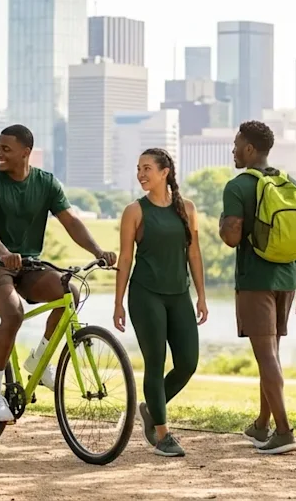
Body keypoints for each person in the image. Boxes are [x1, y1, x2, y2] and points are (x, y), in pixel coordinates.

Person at [0, 124, 117, 423]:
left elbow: (71, 221)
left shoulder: (46, 183)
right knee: (12, 313)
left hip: (28, 264)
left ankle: (39, 360)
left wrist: (98, 252)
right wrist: (2, 252)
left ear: (26, 152)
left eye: (6, 149)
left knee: (69, 293)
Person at [220, 120, 296, 455]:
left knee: (266, 356)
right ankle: (262, 425)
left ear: (249, 149)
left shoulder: (238, 186)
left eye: (235, 144)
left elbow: (232, 238)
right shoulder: (292, 185)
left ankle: (284, 432)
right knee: (271, 355)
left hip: (255, 281)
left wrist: (224, 226)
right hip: (287, 281)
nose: (232, 150)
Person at [113, 148, 207, 458]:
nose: (141, 174)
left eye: (147, 168)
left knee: (188, 363)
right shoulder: (134, 211)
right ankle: (163, 435)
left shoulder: (187, 209)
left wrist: (201, 296)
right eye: (138, 168)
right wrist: (118, 302)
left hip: (179, 294)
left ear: (165, 172)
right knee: (155, 362)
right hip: (145, 294)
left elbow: (193, 253)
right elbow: (126, 258)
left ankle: (151, 408)